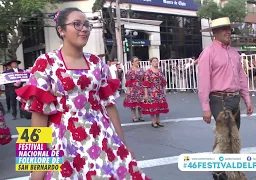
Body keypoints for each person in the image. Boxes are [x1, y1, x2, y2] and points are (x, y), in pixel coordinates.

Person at [15, 8, 150, 180]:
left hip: (101, 139)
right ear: (61, 30)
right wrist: (36, 168)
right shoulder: (45, 62)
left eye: (86, 24)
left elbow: (109, 106)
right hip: (62, 143)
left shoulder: (97, 63)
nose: (84, 29)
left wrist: (122, 145)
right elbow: (38, 116)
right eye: (76, 24)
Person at [198, 17, 253, 180]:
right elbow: (204, 82)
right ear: (215, 33)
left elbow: (242, 78)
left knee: (229, 137)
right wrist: (205, 107)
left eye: (229, 28)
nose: (228, 32)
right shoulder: (208, 52)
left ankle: (219, 169)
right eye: (224, 29)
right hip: (218, 99)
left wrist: (247, 99)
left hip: (235, 99)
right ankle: (230, 173)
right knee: (227, 137)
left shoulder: (234, 53)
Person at [141, 57, 169, 128]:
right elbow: (145, 84)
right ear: (151, 63)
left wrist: (164, 91)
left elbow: (163, 82)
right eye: (154, 61)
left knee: (159, 106)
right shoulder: (148, 72)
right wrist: (146, 94)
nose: (156, 62)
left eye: (157, 61)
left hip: (160, 91)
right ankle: (153, 121)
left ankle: (158, 120)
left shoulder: (159, 71)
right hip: (152, 91)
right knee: (153, 106)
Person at [123, 56, 145, 122]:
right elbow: (128, 81)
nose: (137, 62)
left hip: (140, 87)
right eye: (135, 61)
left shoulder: (141, 70)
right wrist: (128, 90)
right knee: (133, 103)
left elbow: (144, 79)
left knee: (141, 102)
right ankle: (134, 116)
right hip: (133, 88)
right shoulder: (130, 71)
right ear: (132, 63)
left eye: (137, 60)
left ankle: (140, 115)